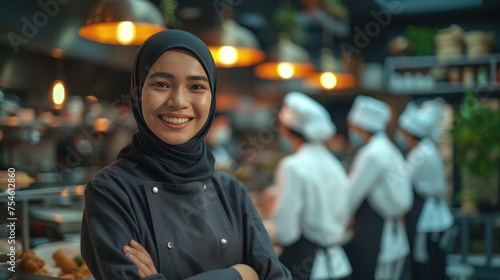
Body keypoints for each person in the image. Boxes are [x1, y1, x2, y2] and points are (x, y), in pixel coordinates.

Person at [80, 29, 291, 280]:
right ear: (138, 92)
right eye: (161, 84)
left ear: (212, 97)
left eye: (196, 86)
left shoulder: (230, 190)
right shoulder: (111, 191)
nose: (179, 101)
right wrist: (241, 274)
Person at [269, 91, 352, 280]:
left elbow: (285, 232)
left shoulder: (292, 165)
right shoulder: (334, 163)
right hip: (340, 265)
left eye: (281, 126)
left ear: (289, 129)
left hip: (309, 267)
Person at [343, 95, 413, 280]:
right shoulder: (389, 148)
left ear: (361, 126)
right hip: (393, 235)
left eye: (352, 126)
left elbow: (350, 196)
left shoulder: (371, 154)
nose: (351, 131)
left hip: (378, 234)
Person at [396, 98, 454, 280]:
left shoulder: (420, 153)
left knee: (425, 269)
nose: (400, 136)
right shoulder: (427, 149)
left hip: (427, 217)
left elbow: (401, 179)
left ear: (411, 134)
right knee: (435, 266)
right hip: (432, 215)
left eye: (403, 132)